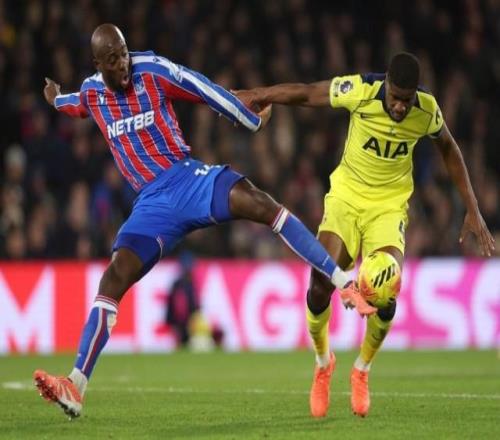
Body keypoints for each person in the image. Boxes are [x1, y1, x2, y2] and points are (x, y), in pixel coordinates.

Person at [33, 24, 376, 419]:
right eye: (112, 59)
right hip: (151, 206)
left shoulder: (153, 70)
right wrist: (54, 98)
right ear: (98, 63)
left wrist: (251, 121)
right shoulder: (93, 93)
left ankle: (343, 281)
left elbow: (203, 89)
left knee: (263, 204)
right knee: (112, 278)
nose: (123, 63)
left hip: (188, 180)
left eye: (124, 53)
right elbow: (73, 105)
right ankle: (75, 385)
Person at [235, 52, 495, 418]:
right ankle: (323, 362)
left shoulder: (427, 109)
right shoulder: (361, 90)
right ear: (387, 84)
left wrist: (472, 207)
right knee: (319, 285)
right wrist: (259, 94)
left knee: (386, 291)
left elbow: (449, 147)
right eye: (396, 98)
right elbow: (308, 93)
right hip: (347, 198)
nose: (401, 107)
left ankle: (362, 369)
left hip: (388, 208)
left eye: (407, 101)